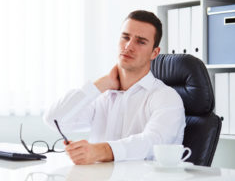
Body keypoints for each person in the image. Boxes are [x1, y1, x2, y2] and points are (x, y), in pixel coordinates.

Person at [43, 10, 185, 165]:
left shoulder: (166, 97)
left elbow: (153, 142)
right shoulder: (103, 95)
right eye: (125, 37)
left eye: (141, 42)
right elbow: (54, 119)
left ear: (154, 53)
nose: (129, 46)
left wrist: (100, 151)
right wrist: (100, 84)